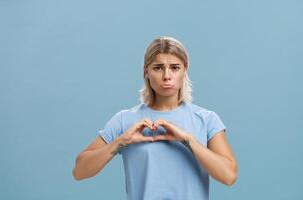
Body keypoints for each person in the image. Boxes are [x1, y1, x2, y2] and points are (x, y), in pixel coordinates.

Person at [72, 36, 237, 200]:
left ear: (184, 70)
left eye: (174, 67)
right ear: (146, 71)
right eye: (158, 68)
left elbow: (229, 176)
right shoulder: (124, 120)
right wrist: (120, 141)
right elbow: (79, 171)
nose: (166, 76)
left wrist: (187, 140)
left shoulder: (206, 119)